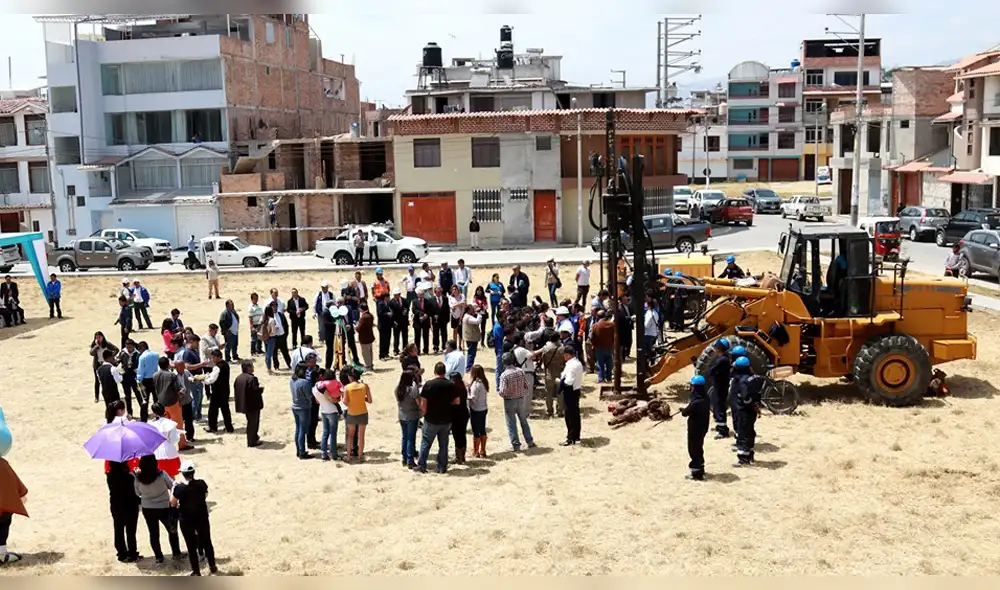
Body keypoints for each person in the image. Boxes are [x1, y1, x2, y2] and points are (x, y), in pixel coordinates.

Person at [133, 454, 183, 563]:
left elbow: (138, 493)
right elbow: (172, 485)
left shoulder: (138, 478)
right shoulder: (161, 474)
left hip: (147, 508)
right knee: (172, 530)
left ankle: (159, 557)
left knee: (153, 533)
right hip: (164, 506)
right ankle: (176, 553)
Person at [171, 461, 217, 576]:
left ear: (183, 473)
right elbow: (206, 495)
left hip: (187, 520)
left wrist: (173, 488)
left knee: (191, 546)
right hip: (201, 516)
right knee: (207, 541)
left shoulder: (180, 488)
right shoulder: (201, 483)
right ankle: (212, 565)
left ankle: (196, 571)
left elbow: (172, 503)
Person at [416, 362, 458, 474]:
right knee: (443, 444)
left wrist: (424, 414)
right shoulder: (451, 384)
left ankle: (421, 466)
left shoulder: (429, 384)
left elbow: (424, 403)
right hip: (446, 419)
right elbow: (457, 401)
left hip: (431, 419)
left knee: (426, 442)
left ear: (435, 372)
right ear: (445, 372)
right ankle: (442, 467)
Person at [106, 459, 141, 563]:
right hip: (130, 505)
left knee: (118, 529)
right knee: (131, 531)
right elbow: (135, 491)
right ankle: (132, 553)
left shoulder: (109, 476)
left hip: (116, 505)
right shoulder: (130, 477)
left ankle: (121, 553)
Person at [498, 352, 534, 451]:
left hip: (509, 401)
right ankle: (529, 441)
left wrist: (501, 393)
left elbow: (502, 391)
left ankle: (516, 445)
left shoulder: (504, 375)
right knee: (524, 421)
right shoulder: (520, 371)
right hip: (521, 399)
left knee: (511, 423)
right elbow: (526, 385)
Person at [731, 355, 762, 467]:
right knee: (750, 432)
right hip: (752, 411)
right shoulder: (754, 378)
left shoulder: (742, 381)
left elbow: (746, 397)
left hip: (744, 411)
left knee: (743, 434)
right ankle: (750, 455)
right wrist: (755, 406)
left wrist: (749, 404)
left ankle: (743, 459)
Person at [154, 356, 190, 451]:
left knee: (164, 426)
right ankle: (182, 445)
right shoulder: (171, 375)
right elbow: (178, 389)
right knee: (178, 425)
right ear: (168, 365)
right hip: (173, 403)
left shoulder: (155, 375)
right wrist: (182, 393)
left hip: (161, 404)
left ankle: (166, 445)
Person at [680, 375, 711, 481]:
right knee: (699, 448)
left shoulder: (696, 402)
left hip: (695, 430)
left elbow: (685, 413)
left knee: (694, 450)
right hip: (703, 428)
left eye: (692, 386)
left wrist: (683, 410)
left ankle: (696, 472)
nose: (690, 388)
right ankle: (700, 467)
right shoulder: (706, 398)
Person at [200, 349, 234, 434]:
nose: (212, 359)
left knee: (212, 410)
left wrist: (202, 380)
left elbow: (211, 380)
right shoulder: (226, 364)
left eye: (214, 357)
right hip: (225, 390)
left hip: (217, 392)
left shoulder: (217, 367)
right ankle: (229, 427)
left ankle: (212, 427)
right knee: (225, 409)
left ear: (218, 357)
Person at [342, 368, 372, 463]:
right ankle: (360, 457)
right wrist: (362, 398)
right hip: (363, 412)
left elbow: (345, 403)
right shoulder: (364, 386)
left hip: (352, 413)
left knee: (350, 436)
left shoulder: (347, 387)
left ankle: (349, 456)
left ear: (351, 377)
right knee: (361, 436)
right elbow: (370, 400)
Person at [233, 359, 264, 447]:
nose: (253, 368)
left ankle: (253, 438)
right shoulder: (252, 378)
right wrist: (260, 390)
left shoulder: (239, 378)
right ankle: (252, 441)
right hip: (253, 405)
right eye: (252, 366)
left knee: (250, 422)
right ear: (248, 368)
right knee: (253, 423)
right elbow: (254, 392)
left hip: (244, 404)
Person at [558, 345, 584, 446]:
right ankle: (576, 436)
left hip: (570, 391)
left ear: (568, 355)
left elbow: (568, 381)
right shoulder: (577, 363)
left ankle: (570, 438)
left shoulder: (571, 365)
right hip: (576, 390)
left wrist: (560, 383)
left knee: (569, 416)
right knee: (575, 415)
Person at [148, 403, 183, 477]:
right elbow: (174, 440)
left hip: (157, 453)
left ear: (154, 413)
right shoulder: (170, 424)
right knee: (171, 478)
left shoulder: (150, 425)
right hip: (169, 451)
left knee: (159, 477)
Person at [314, 375, 343, 461]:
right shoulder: (327, 387)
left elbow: (317, 401)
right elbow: (333, 400)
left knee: (325, 433)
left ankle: (323, 454)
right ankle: (334, 454)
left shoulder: (315, 387)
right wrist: (338, 399)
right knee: (333, 434)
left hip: (323, 411)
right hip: (332, 411)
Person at [395, 370, 421, 468]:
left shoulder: (398, 389)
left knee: (404, 437)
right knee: (411, 438)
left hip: (402, 415)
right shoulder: (412, 389)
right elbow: (418, 402)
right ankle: (410, 460)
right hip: (412, 415)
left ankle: (404, 458)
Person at [708, 338, 732, 439]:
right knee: (717, 406)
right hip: (719, 386)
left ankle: (723, 431)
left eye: (717, 347)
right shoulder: (724, 358)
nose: (715, 349)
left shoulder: (723, 360)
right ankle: (719, 426)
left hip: (720, 387)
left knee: (719, 407)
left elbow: (711, 371)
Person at [290, 362, 314, 459]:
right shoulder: (304, 382)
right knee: (302, 430)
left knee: (298, 429)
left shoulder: (292, 380)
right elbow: (309, 396)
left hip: (295, 406)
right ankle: (302, 452)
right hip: (304, 408)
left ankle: (298, 450)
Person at [117, 340, 145, 421]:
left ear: (133, 346)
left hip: (135, 378)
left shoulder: (137, 354)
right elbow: (118, 363)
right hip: (125, 378)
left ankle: (143, 412)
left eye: (130, 347)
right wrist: (121, 372)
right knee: (127, 396)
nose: (128, 349)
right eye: (127, 347)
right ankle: (130, 413)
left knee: (139, 395)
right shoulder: (123, 353)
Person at [467, 365, 490, 457]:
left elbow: (473, 398)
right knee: (482, 429)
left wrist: (466, 396)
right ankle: (483, 450)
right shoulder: (484, 382)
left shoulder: (476, 385)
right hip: (483, 408)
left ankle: (476, 451)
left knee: (476, 431)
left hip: (476, 409)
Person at [591, 311, 615, 384]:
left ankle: (601, 379)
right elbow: (615, 335)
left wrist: (594, 345)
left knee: (600, 363)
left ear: (597, 317)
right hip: (609, 346)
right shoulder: (612, 325)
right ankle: (609, 378)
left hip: (599, 347)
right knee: (609, 363)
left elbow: (592, 338)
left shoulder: (595, 326)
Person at [389, 288, 410, 356]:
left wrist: (406, 312)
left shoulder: (404, 300)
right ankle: (396, 350)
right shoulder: (391, 302)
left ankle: (405, 349)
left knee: (405, 336)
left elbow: (407, 308)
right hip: (396, 322)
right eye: (395, 295)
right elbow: (391, 313)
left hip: (404, 321)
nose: (396, 296)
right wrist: (393, 321)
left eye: (397, 295)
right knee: (396, 337)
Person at [462, 305, 483, 371]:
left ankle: (469, 366)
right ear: (468, 310)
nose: (473, 310)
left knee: (472, 353)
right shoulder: (468, 317)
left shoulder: (467, 316)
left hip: (471, 337)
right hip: (471, 338)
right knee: (471, 353)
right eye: (472, 309)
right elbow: (477, 321)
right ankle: (469, 368)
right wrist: (479, 314)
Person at [357, 303, 375, 371]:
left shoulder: (363, 317)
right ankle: (370, 364)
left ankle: (368, 366)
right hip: (370, 336)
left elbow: (359, 328)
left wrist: (356, 327)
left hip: (364, 337)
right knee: (370, 352)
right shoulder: (370, 315)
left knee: (365, 352)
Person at [261, 306, 278, 373]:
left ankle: (267, 367)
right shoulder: (272, 320)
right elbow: (273, 332)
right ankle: (269, 368)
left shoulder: (262, 318)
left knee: (267, 353)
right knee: (269, 354)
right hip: (271, 338)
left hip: (265, 337)